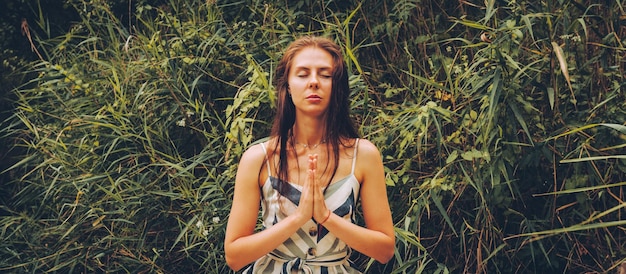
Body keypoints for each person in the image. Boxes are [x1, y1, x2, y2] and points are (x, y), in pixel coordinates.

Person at [224, 35, 395, 273]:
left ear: (337, 87)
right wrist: (298, 217)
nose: (314, 82)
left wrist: (325, 217)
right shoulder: (258, 158)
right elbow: (234, 256)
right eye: (303, 74)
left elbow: (385, 250)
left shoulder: (363, 155)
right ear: (288, 86)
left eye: (325, 75)